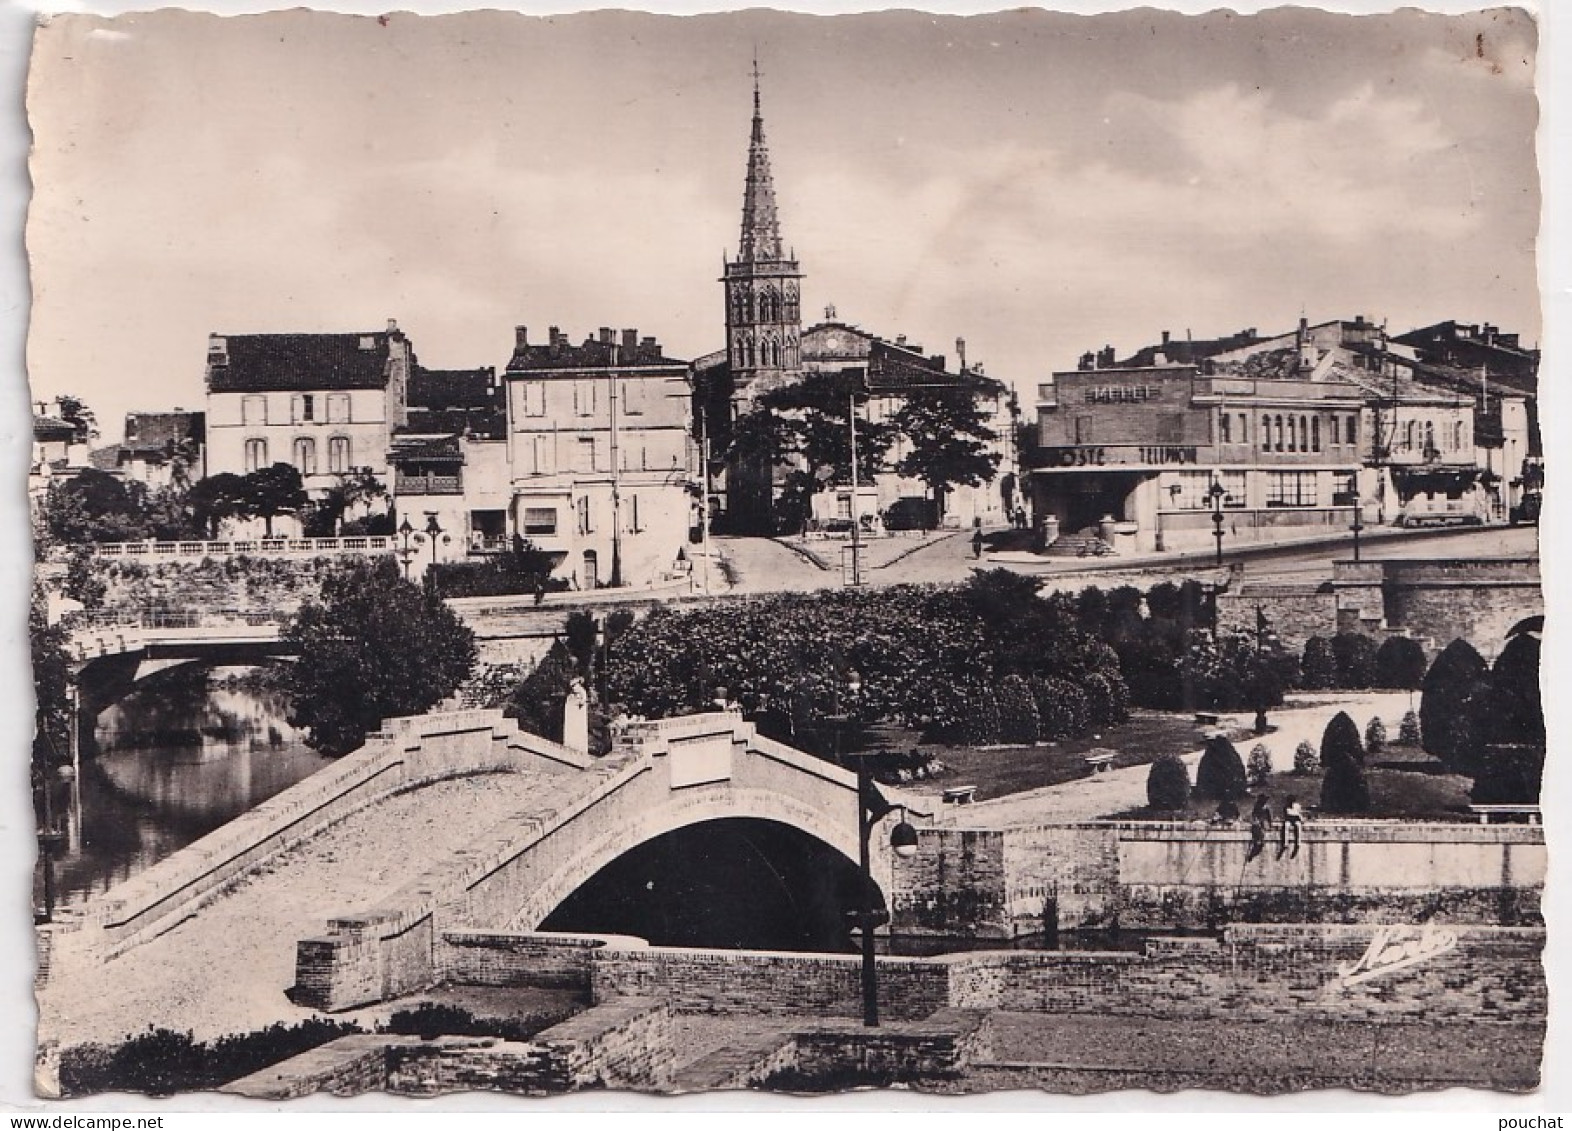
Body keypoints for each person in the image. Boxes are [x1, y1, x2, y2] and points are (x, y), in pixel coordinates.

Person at [1246, 795, 1273, 862]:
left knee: (1261, 844)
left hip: (1262, 826)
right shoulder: (1257, 807)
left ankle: (1252, 855)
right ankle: (1251, 855)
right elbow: (1254, 816)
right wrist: (1256, 821)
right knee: (1258, 842)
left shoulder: (1266, 808)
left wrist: (1270, 825)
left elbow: (1269, 818)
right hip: (1257, 827)